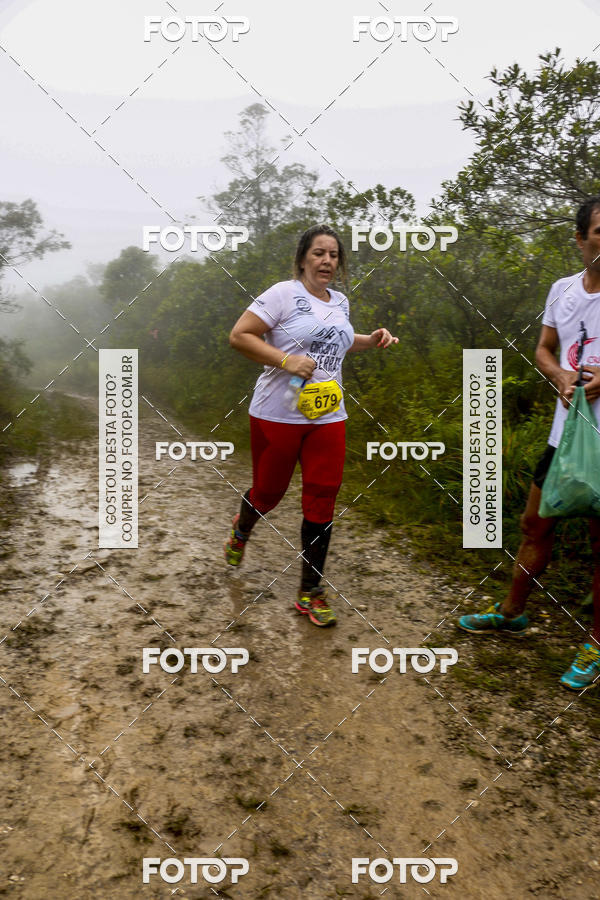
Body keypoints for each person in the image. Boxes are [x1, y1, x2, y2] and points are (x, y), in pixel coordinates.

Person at [223, 223, 398, 627]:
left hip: (326, 414)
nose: (327, 261)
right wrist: (285, 360)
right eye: (319, 253)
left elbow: (336, 340)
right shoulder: (282, 294)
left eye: (334, 255)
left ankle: (310, 592)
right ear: (303, 258)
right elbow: (240, 336)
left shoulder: (340, 302)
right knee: (269, 494)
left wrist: (370, 340)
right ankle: (242, 528)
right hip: (277, 413)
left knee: (323, 496)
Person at [458, 197, 600, 690]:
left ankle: (595, 646)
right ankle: (512, 612)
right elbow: (543, 348)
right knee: (534, 525)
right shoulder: (562, 291)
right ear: (581, 239)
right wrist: (560, 373)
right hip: (564, 437)